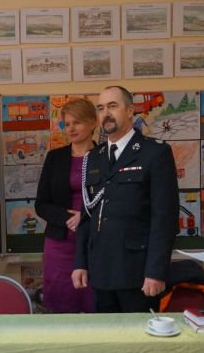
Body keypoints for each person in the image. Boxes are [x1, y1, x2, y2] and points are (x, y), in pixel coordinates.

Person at [72, 86, 178, 313]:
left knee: (140, 335)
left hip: (138, 273)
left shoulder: (154, 153)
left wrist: (156, 271)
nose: (106, 114)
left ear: (130, 111)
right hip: (100, 271)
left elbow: (165, 218)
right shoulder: (94, 158)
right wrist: (80, 262)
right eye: (101, 108)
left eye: (112, 106)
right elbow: (87, 215)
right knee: (106, 335)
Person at [34, 98, 96, 313]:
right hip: (60, 243)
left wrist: (84, 216)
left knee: (95, 302)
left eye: (77, 122)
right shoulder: (55, 158)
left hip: (95, 242)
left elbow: (115, 200)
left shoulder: (106, 157)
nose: (71, 129)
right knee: (62, 303)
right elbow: (41, 204)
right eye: (67, 124)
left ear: (93, 123)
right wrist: (67, 218)